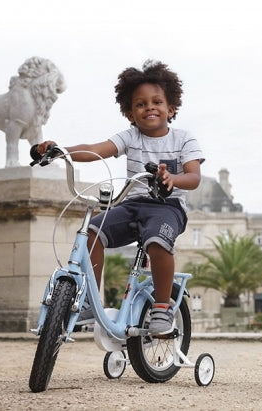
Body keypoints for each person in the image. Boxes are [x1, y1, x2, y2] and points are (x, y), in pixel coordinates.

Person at [35, 60, 204, 336]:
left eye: (157, 102)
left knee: (157, 241)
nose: (149, 107)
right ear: (130, 114)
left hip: (168, 207)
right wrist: (60, 151)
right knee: (92, 231)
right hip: (133, 205)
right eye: (140, 104)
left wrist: (173, 179)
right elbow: (95, 150)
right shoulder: (131, 137)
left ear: (171, 108)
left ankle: (162, 306)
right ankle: (89, 302)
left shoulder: (184, 139)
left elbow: (194, 176)